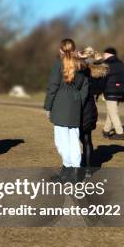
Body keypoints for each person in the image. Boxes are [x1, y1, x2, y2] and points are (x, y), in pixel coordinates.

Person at [44, 39, 89, 182]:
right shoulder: (82, 65)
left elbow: (53, 87)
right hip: (75, 106)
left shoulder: (58, 64)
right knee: (74, 140)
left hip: (60, 105)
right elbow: (85, 87)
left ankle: (67, 170)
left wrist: (48, 106)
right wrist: (79, 100)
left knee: (61, 141)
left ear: (61, 50)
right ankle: (76, 172)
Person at [76, 48, 108, 176]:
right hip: (91, 108)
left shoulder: (84, 74)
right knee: (87, 140)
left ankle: (77, 165)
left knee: (75, 140)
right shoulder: (101, 75)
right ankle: (89, 169)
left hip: (79, 108)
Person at [101, 47, 124, 140]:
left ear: (108, 54)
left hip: (110, 91)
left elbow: (102, 79)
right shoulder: (122, 65)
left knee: (113, 112)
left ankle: (119, 133)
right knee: (111, 111)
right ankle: (106, 130)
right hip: (120, 91)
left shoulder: (106, 64)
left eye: (104, 54)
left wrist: (99, 90)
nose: (103, 56)